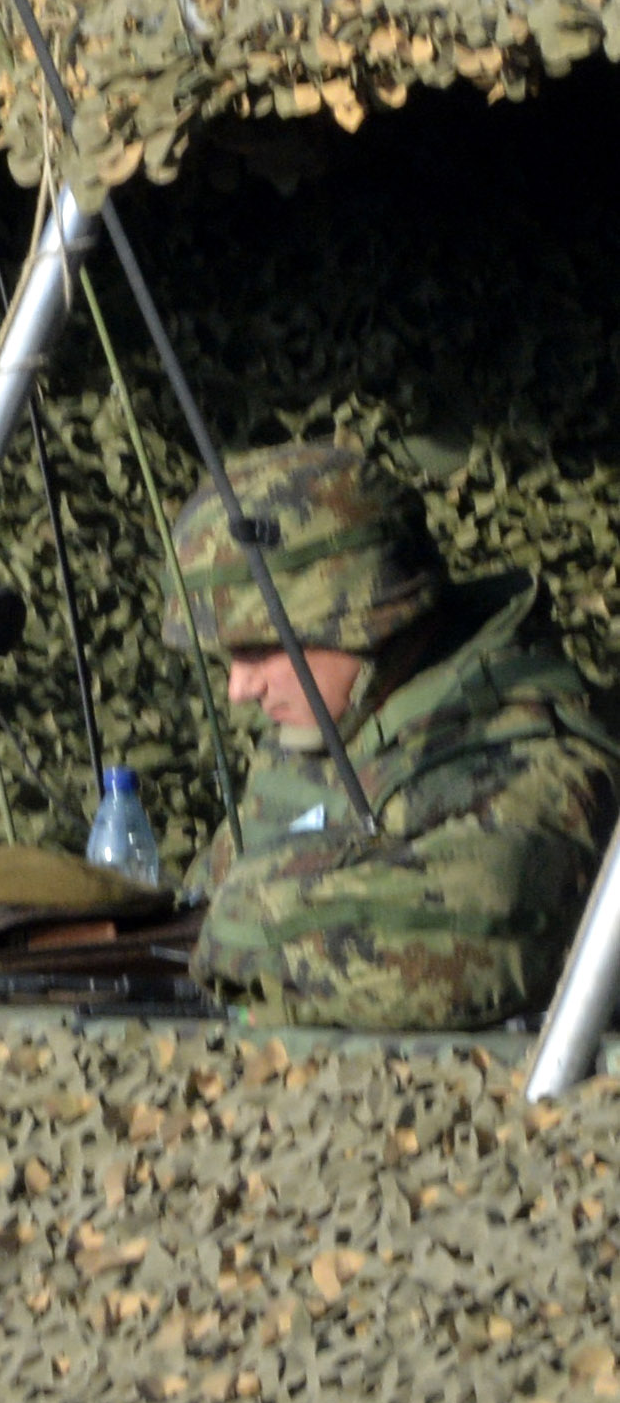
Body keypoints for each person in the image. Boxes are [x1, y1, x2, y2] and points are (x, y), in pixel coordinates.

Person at [164, 436, 620, 1030]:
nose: (239, 689)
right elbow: (205, 906)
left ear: (366, 616)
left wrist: (250, 925)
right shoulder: (336, 731)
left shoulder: (536, 761)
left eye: (260, 650)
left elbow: (469, 940)